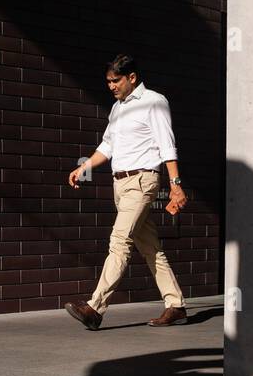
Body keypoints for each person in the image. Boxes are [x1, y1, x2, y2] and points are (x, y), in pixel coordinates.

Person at [64, 54, 188, 330]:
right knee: (150, 248)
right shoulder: (118, 108)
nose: (111, 86)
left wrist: (175, 185)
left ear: (132, 77)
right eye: (108, 81)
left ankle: (95, 308)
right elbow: (107, 146)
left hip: (142, 181)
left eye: (115, 80)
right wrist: (84, 167)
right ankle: (176, 305)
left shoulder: (154, 101)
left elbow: (167, 145)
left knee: (119, 242)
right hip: (120, 184)